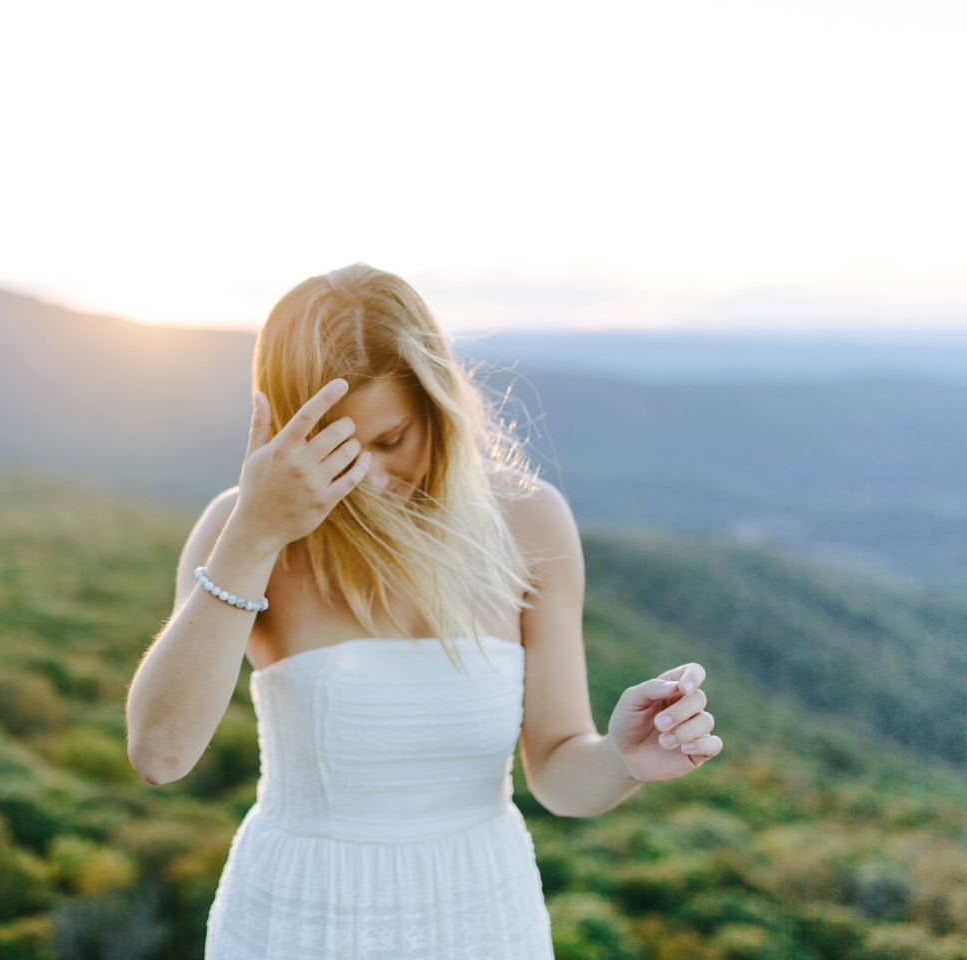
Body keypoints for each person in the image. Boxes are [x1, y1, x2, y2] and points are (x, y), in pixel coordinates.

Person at [125, 264, 722, 959]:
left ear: (439, 406)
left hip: (483, 917)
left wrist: (623, 758)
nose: (371, 480)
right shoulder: (245, 532)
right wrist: (254, 534)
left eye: (390, 440)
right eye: (337, 451)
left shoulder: (529, 523)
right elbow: (159, 755)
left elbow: (559, 770)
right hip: (301, 921)